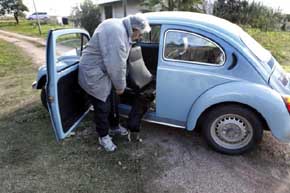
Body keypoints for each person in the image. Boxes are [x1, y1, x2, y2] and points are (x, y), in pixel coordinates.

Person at [78, 13, 151, 152]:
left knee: (114, 100)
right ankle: (103, 136)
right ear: (134, 29)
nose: (140, 37)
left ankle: (114, 126)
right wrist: (120, 86)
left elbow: (119, 63)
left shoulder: (123, 30)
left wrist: (119, 86)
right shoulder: (117, 33)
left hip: (104, 71)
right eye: (140, 34)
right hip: (94, 74)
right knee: (102, 106)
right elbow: (116, 65)